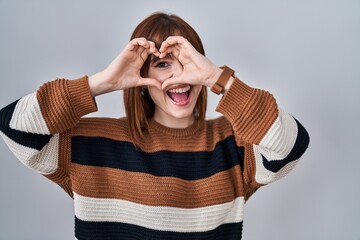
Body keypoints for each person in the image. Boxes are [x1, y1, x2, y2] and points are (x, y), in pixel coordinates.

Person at [0, 12, 309, 240]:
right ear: (142, 79)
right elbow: (15, 127)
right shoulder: (91, 144)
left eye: (186, 61)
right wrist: (102, 82)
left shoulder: (233, 145)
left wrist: (219, 78)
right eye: (162, 64)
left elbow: (291, 145)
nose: (179, 76)